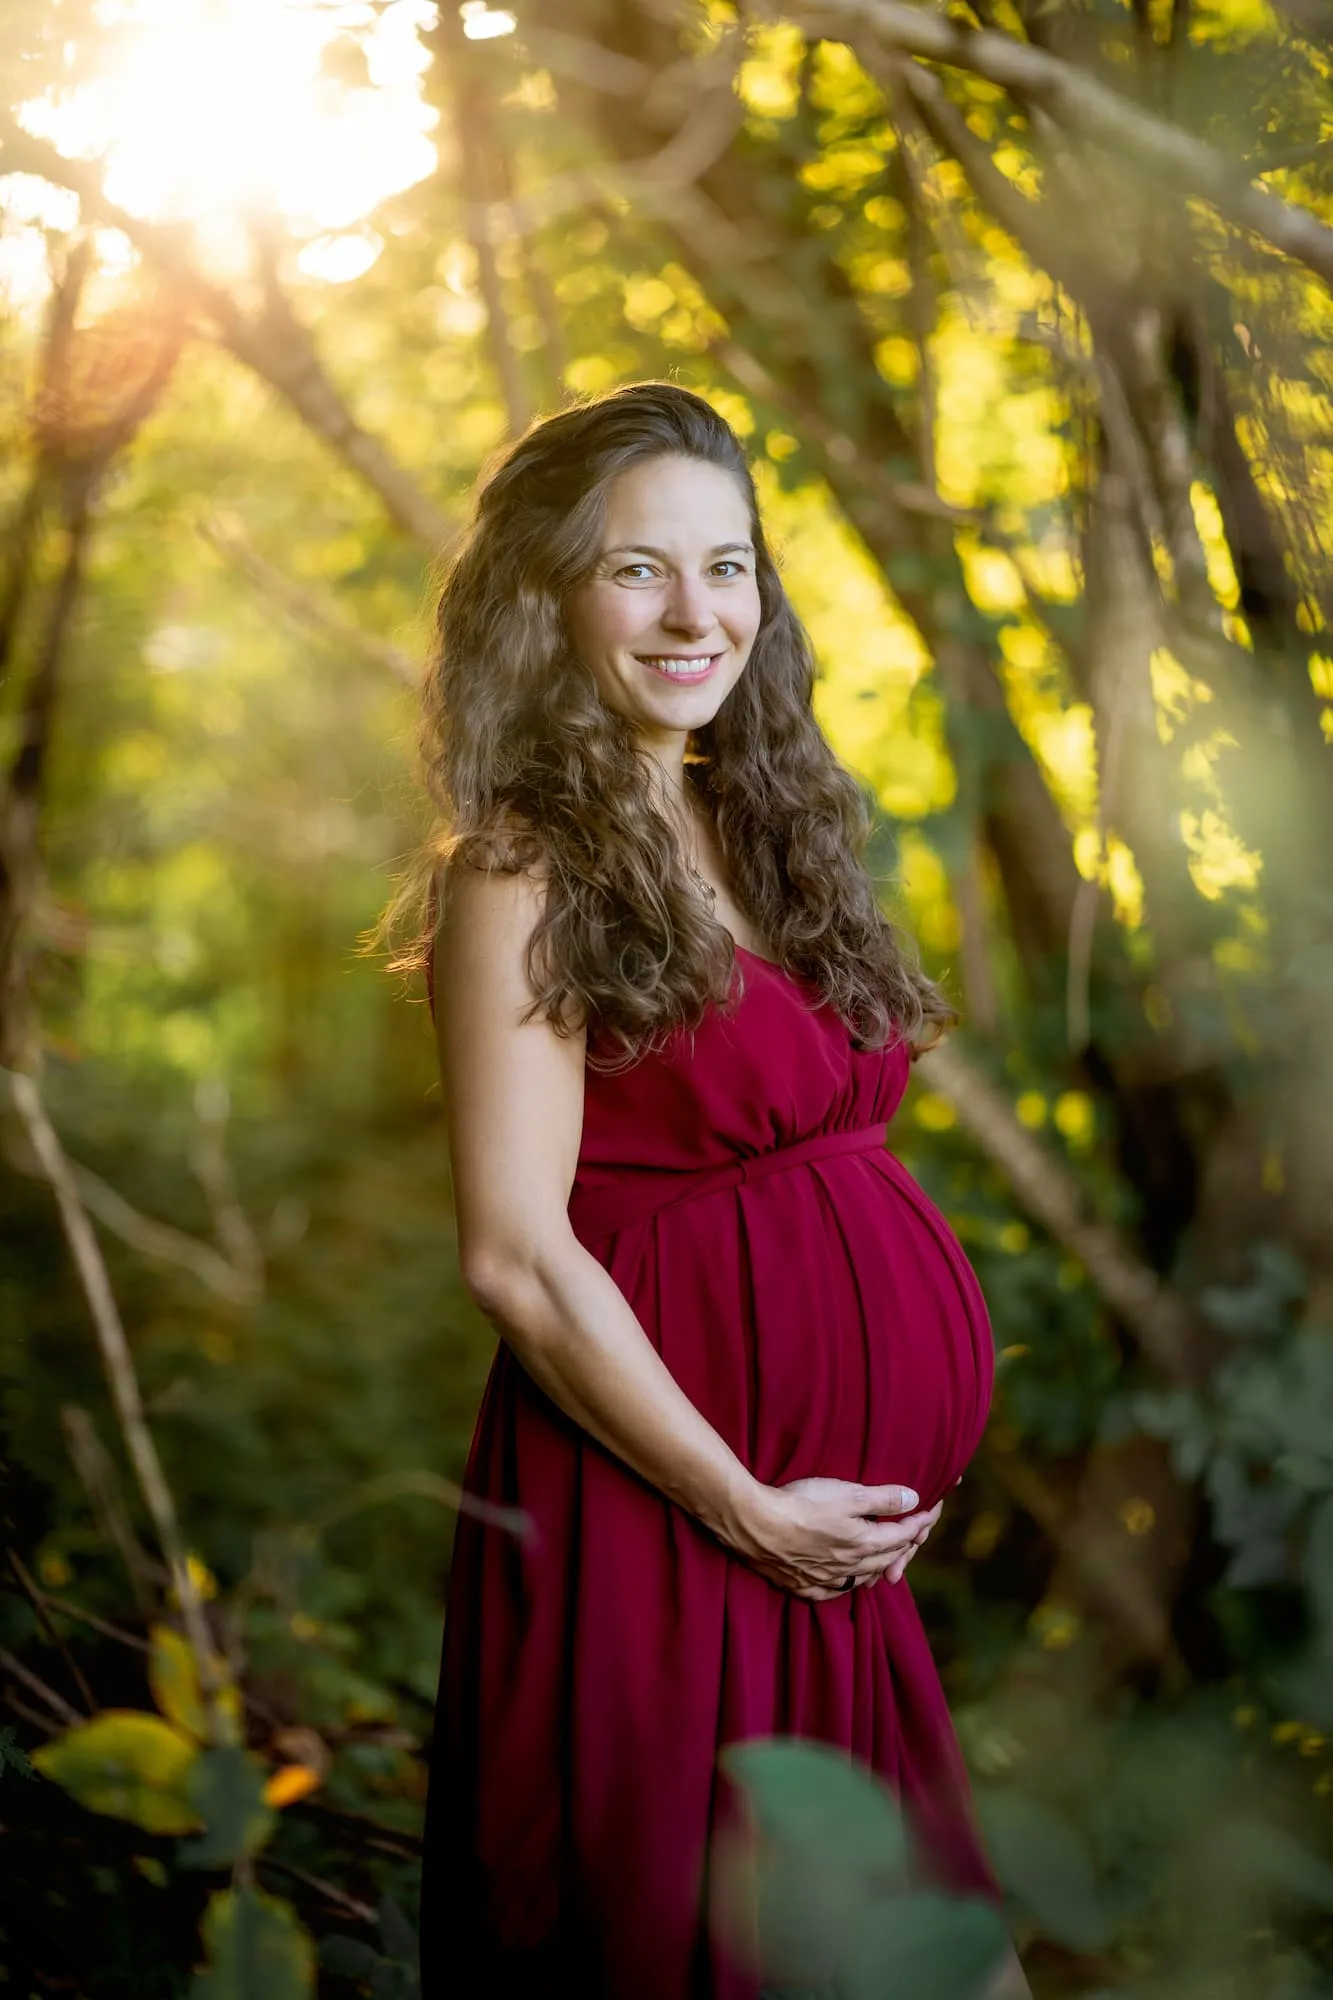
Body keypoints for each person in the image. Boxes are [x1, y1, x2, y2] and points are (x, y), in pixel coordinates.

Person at [402, 382, 1025, 1997]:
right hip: (668, 1526)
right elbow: (518, 1254)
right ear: (547, 600)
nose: (698, 613)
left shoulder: (758, 820)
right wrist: (741, 1501)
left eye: (729, 565)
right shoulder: (520, 871)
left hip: (819, 1557)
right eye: (637, 571)